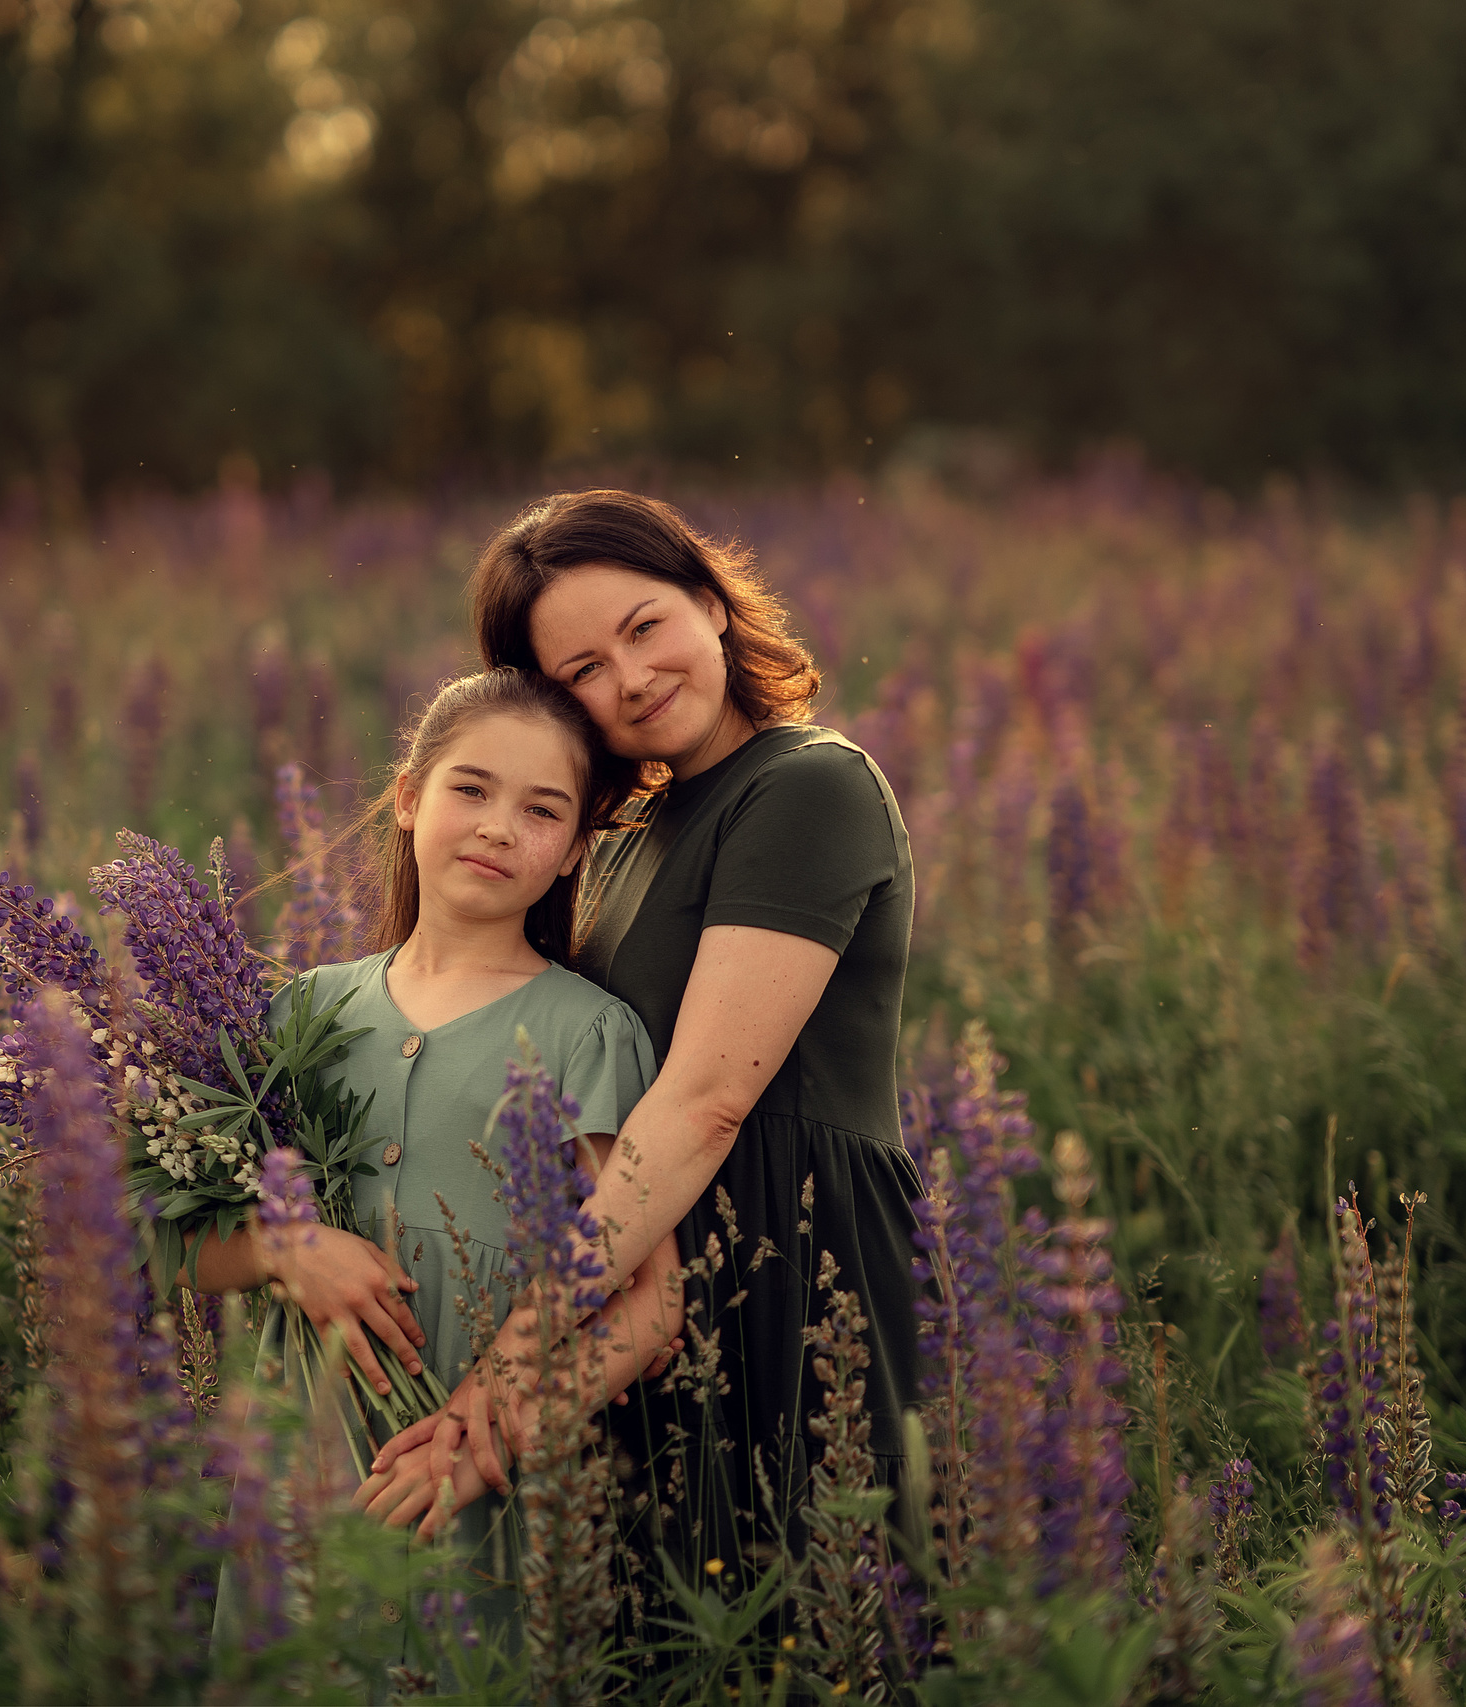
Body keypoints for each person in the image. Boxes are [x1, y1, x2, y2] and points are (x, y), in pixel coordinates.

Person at [364, 490, 921, 1606]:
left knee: (811, 1631)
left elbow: (709, 1096)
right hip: (631, 1276)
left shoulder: (806, 784)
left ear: (710, 605)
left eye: (642, 627)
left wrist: (510, 1365)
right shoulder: (616, 835)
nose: (627, 678)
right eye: (579, 670)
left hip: (787, 1247)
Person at [193, 667, 687, 1659]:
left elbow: (652, 1304)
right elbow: (183, 1253)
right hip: (307, 1465)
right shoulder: (299, 1013)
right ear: (409, 797)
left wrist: (489, 1438)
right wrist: (285, 1249)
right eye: (471, 789)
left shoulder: (587, 1032)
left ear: (571, 856)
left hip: (491, 1483)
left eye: (540, 811)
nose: (499, 826)